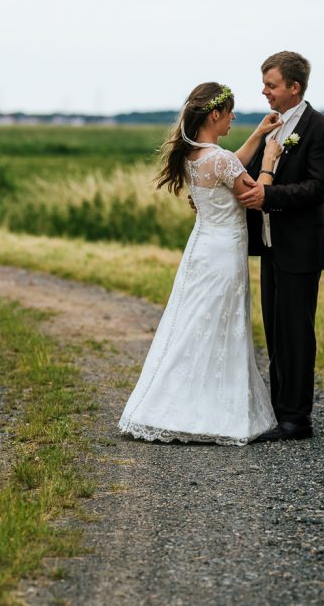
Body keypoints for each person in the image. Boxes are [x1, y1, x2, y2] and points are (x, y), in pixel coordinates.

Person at [118, 82, 284, 445]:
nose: (234, 118)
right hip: (224, 252)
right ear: (215, 114)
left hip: (202, 249)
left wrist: (258, 133)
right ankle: (213, 413)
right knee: (222, 324)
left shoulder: (197, 156)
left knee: (195, 322)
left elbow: (229, 165)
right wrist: (268, 163)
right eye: (230, 112)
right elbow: (253, 195)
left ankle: (165, 404)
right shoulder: (219, 158)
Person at [236, 51, 324, 441]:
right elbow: (248, 173)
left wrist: (270, 196)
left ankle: (297, 419)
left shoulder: (321, 129)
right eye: (265, 84)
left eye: (271, 85)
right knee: (276, 331)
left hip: (300, 247)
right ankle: (280, 413)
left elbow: (319, 188)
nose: (264, 91)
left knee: (296, 332)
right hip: (269, 244)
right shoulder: (273, 126)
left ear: (294, 88)